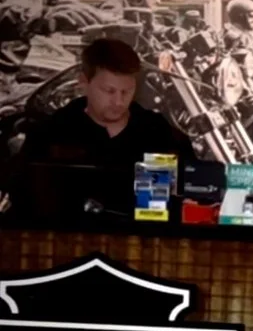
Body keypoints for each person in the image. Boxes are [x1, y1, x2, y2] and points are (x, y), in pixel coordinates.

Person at [4, 35, 189, 220]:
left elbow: (177, 204)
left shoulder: (157, 134)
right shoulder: (52, 132)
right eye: (109, 91)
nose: (119, 101)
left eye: (126, 91)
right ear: (84, 83)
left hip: (139, 244)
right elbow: (21, 197)